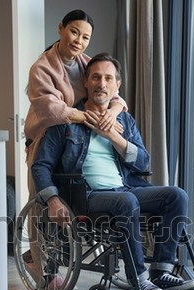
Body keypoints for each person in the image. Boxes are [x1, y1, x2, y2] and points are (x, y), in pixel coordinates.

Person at [31, 53, 194, 290]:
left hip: (125, 188)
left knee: (177, 196)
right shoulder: (67, 121)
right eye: (96, 77)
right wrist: (53, 200)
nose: (102, 83)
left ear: (116, 86)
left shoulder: (124, 120)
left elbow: (143, 162)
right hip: (85, 196)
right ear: (86, 82)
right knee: (127, 201)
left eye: (108, 78)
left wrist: (113, 136)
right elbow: (41, 165)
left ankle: (162, 272)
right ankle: (139, 281)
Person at [24, 9, 127, 198]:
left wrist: (112, 115)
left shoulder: (86, 63)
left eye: (85, 37)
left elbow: (113, 94)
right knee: (43, 206)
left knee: (76, 201)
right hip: (45, 141)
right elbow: (52, 109)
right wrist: (94, 119)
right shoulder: (41, 69)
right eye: (74, 32)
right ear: (60, 28)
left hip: (74, 141)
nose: (79, 41)